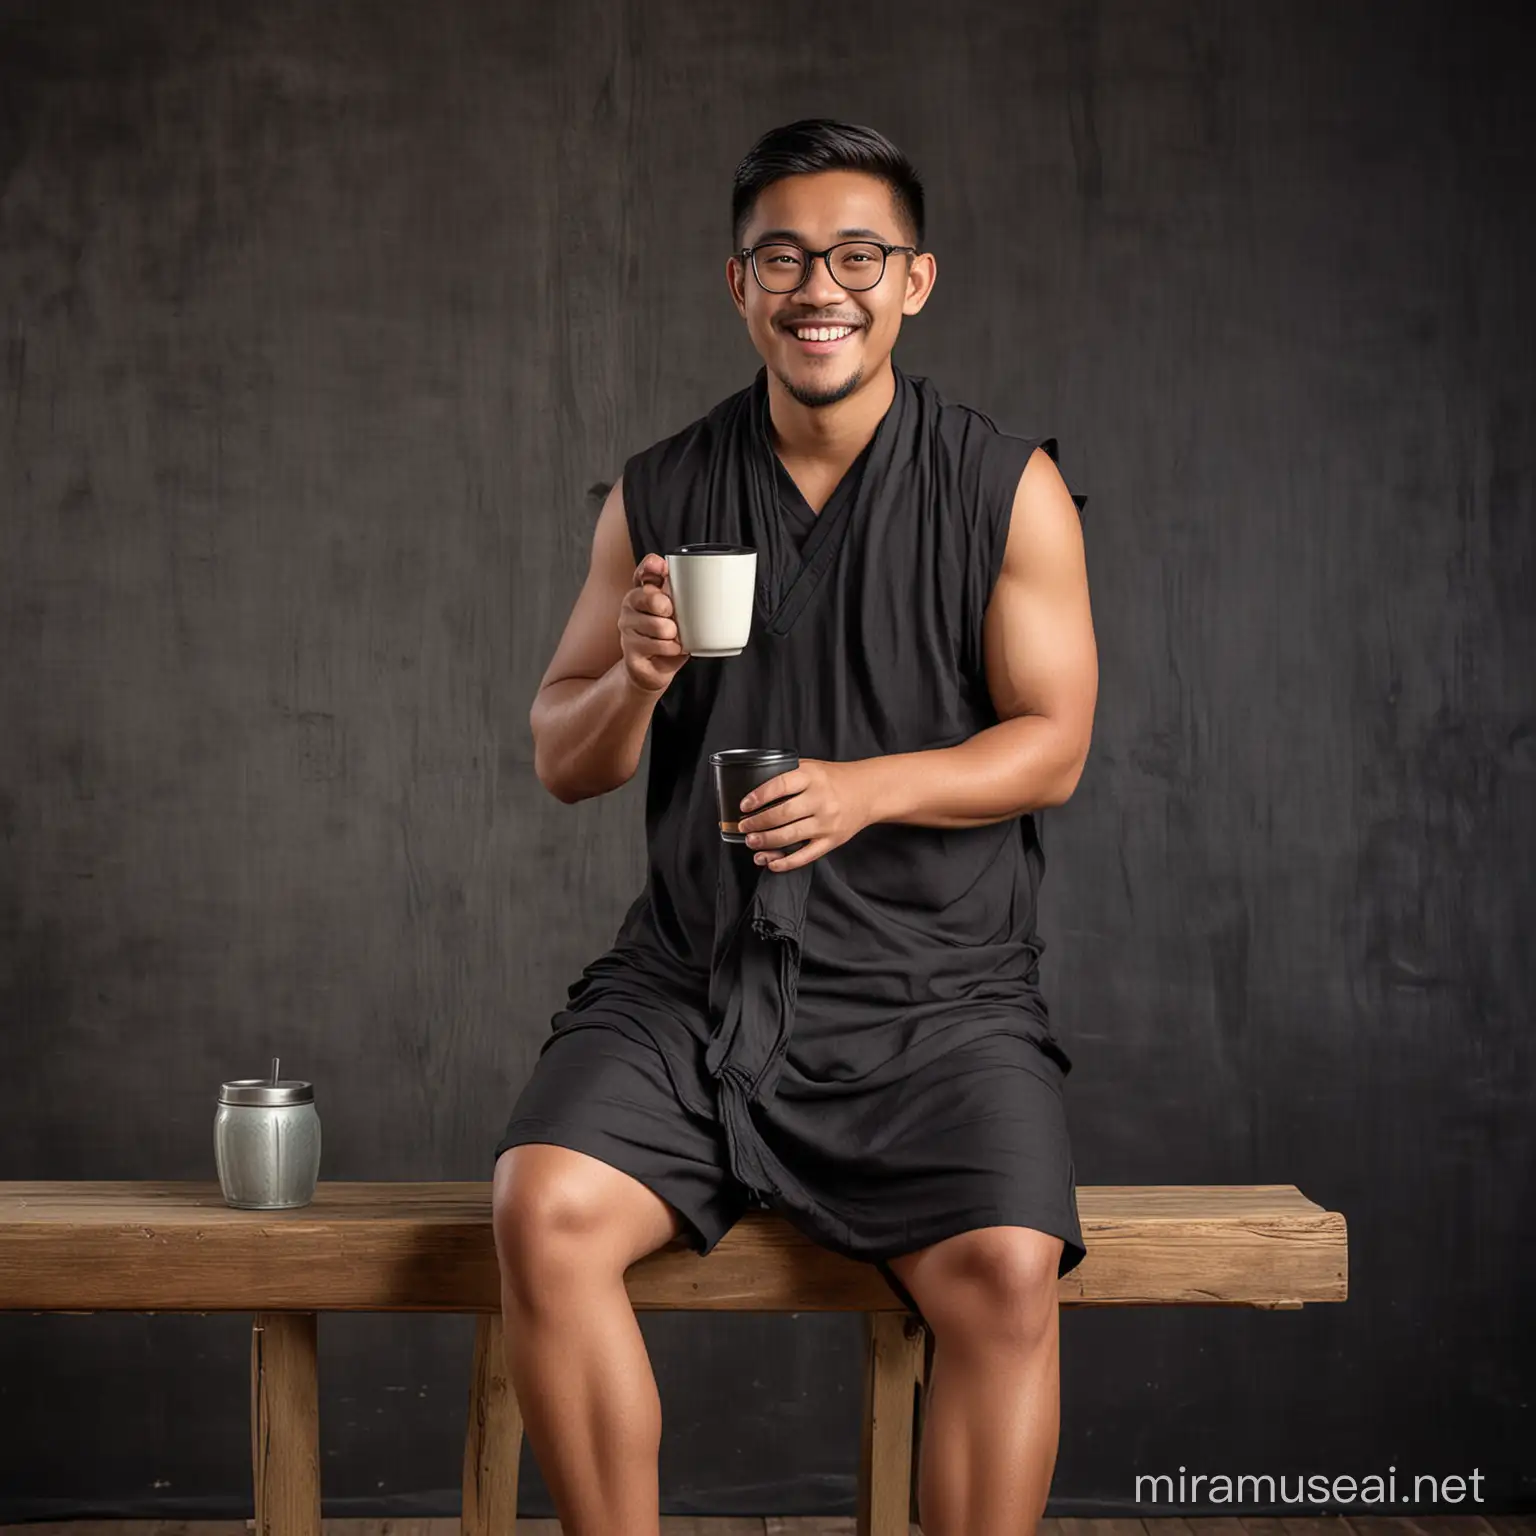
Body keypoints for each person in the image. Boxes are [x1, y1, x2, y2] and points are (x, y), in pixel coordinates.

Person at [491, 117, 1098, 1536]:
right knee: (543, 1210)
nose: (821, 286)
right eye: (785, 257)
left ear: (916, 280)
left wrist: (866, 787)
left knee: (1010, 1269)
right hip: (697, 984)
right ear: (739, 283)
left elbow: (1054, 746)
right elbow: (562, 758)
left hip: (934, 996)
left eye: (857, 255)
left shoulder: (1006, 487)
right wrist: (637, 679)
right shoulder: (660, 489)